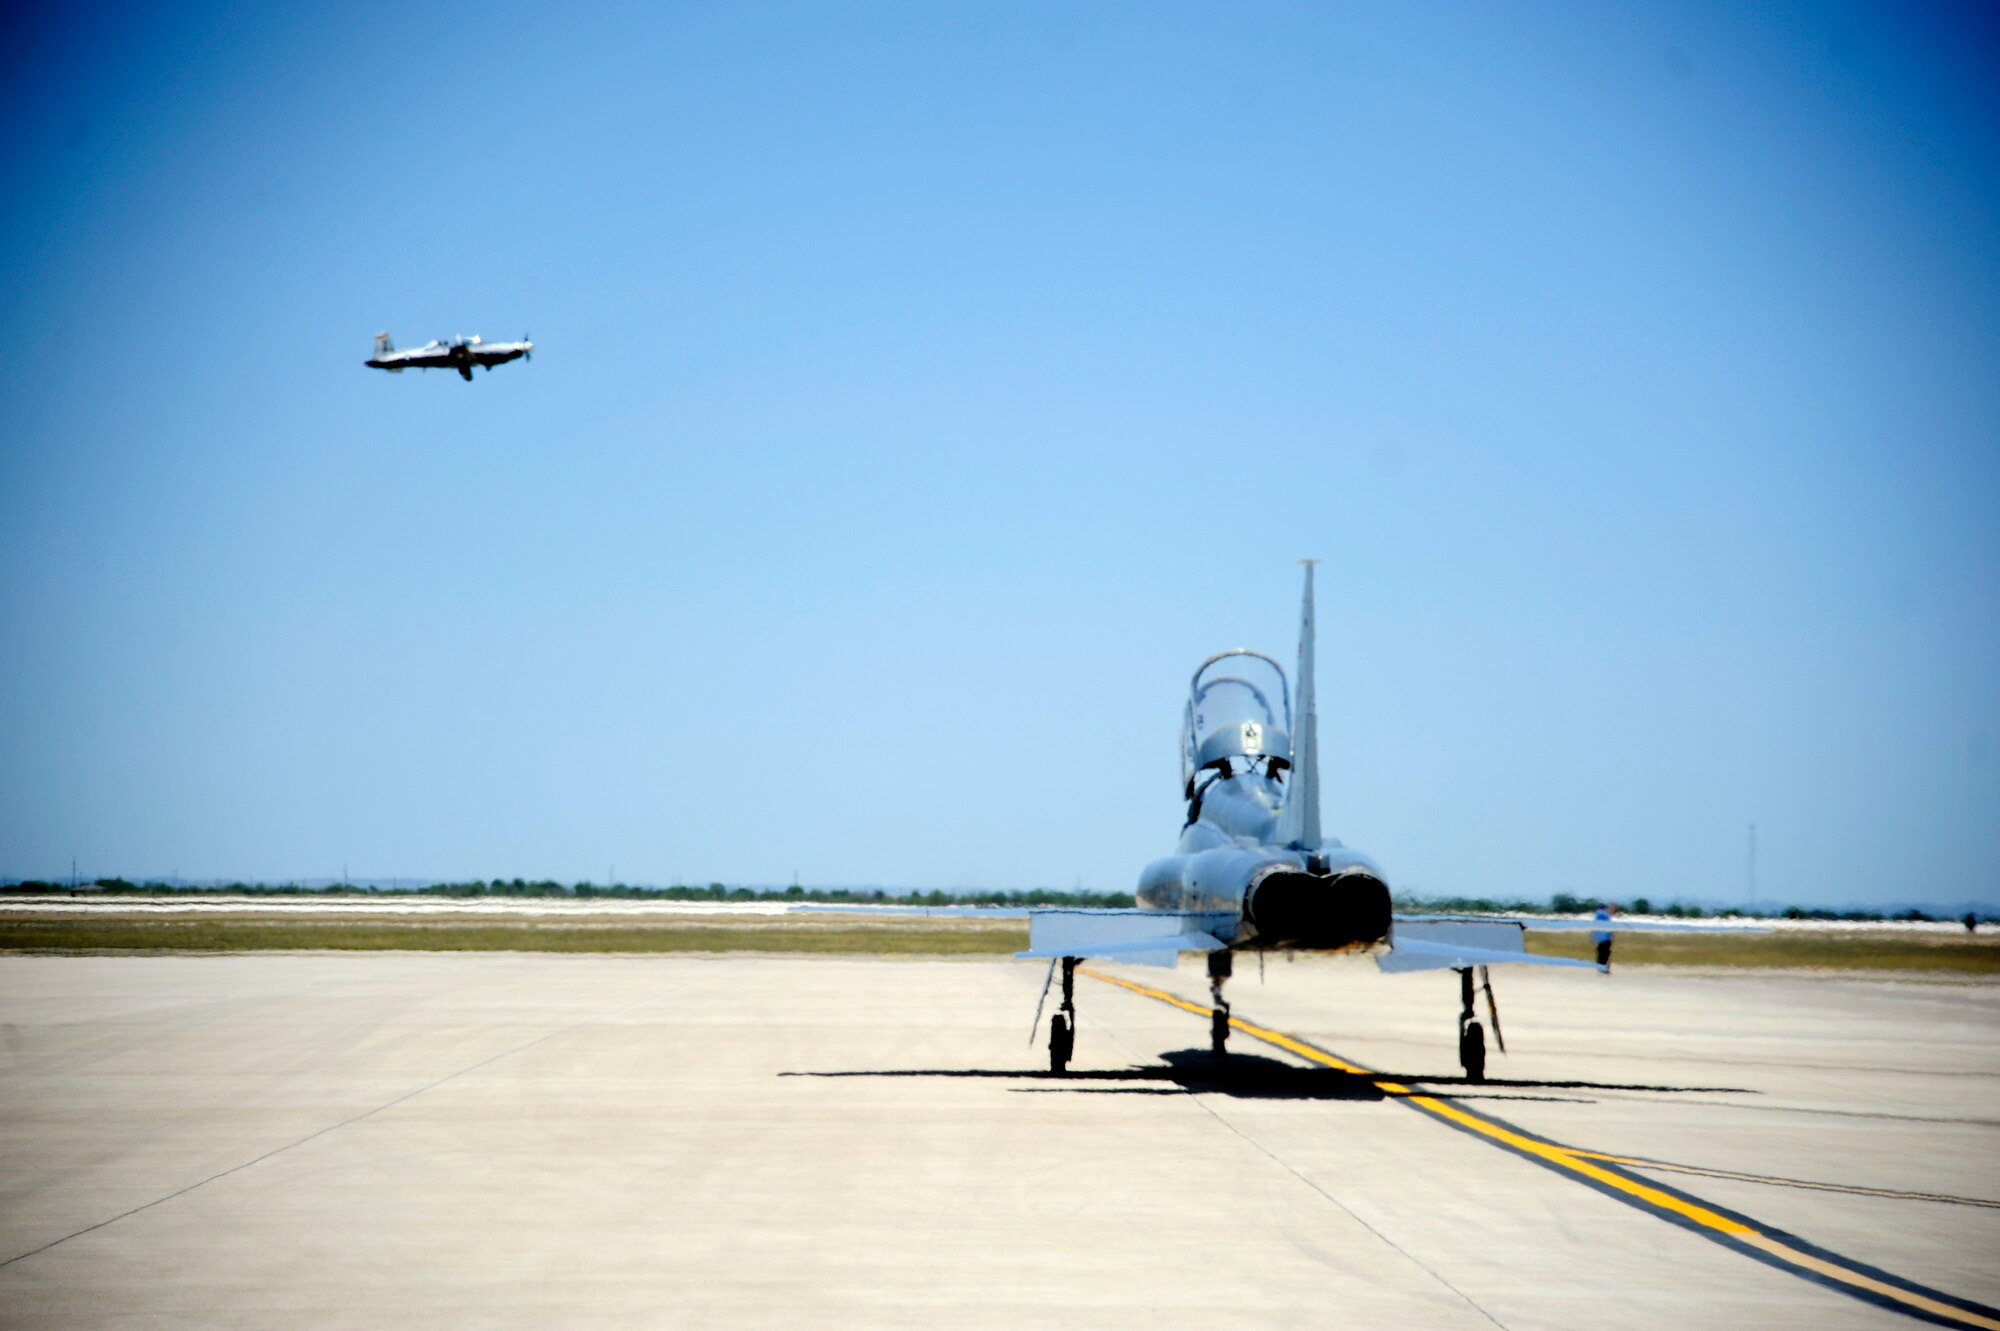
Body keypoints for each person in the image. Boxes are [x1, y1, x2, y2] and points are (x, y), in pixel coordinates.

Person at [1594, 903, 1614, 971]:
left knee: (1601, 953)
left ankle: (1601, 968)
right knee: (1605, 954)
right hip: (1606, 939)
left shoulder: (1599, 914)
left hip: (1601, 939)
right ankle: (1604, 968)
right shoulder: (1606, 915)